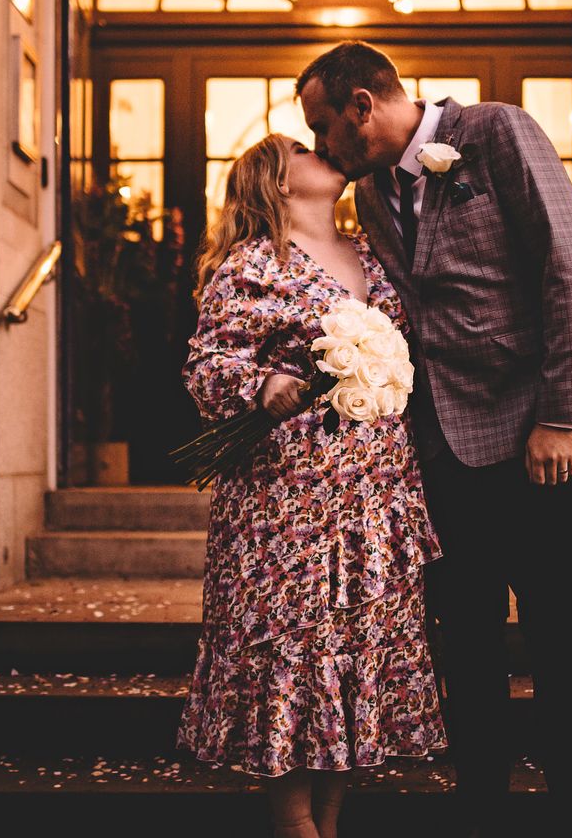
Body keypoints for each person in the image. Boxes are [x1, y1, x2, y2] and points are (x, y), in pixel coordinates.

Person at [296, 41, 572, 835]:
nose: (321, 145)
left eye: (323, 125)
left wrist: (561, 416)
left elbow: (571, 269)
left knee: (552, 626)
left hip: (538, 436)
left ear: (363, 106)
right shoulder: (372, 192)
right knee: (467, 636)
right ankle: (483, 802)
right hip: (440, 447)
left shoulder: (496, 132)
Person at [175, 132, 448, 838]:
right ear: (278, 182)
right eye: (301, 146)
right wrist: (262, 384)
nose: (321, 147)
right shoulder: (253, 264)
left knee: (354, 654)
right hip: (285, 503)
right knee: (290, 655)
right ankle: (295, 827)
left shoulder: (373, 254)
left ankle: (328, 826)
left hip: (374, 496)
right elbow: (206, 364)